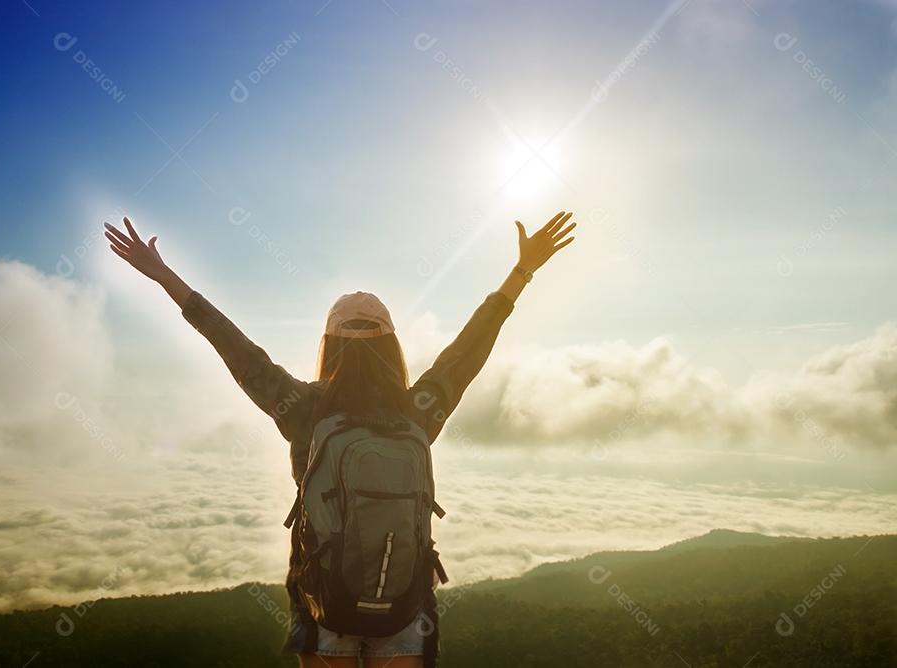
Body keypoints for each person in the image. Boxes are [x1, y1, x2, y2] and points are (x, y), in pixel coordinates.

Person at [104, 211, 578, 667]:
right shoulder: (418, 411)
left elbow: (235, 348)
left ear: (328, 344)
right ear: (391, 346)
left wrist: (164, 276)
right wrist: (521, 272)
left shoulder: (303, 408)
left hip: (322, 599)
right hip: (404, 602)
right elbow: (468, 350)